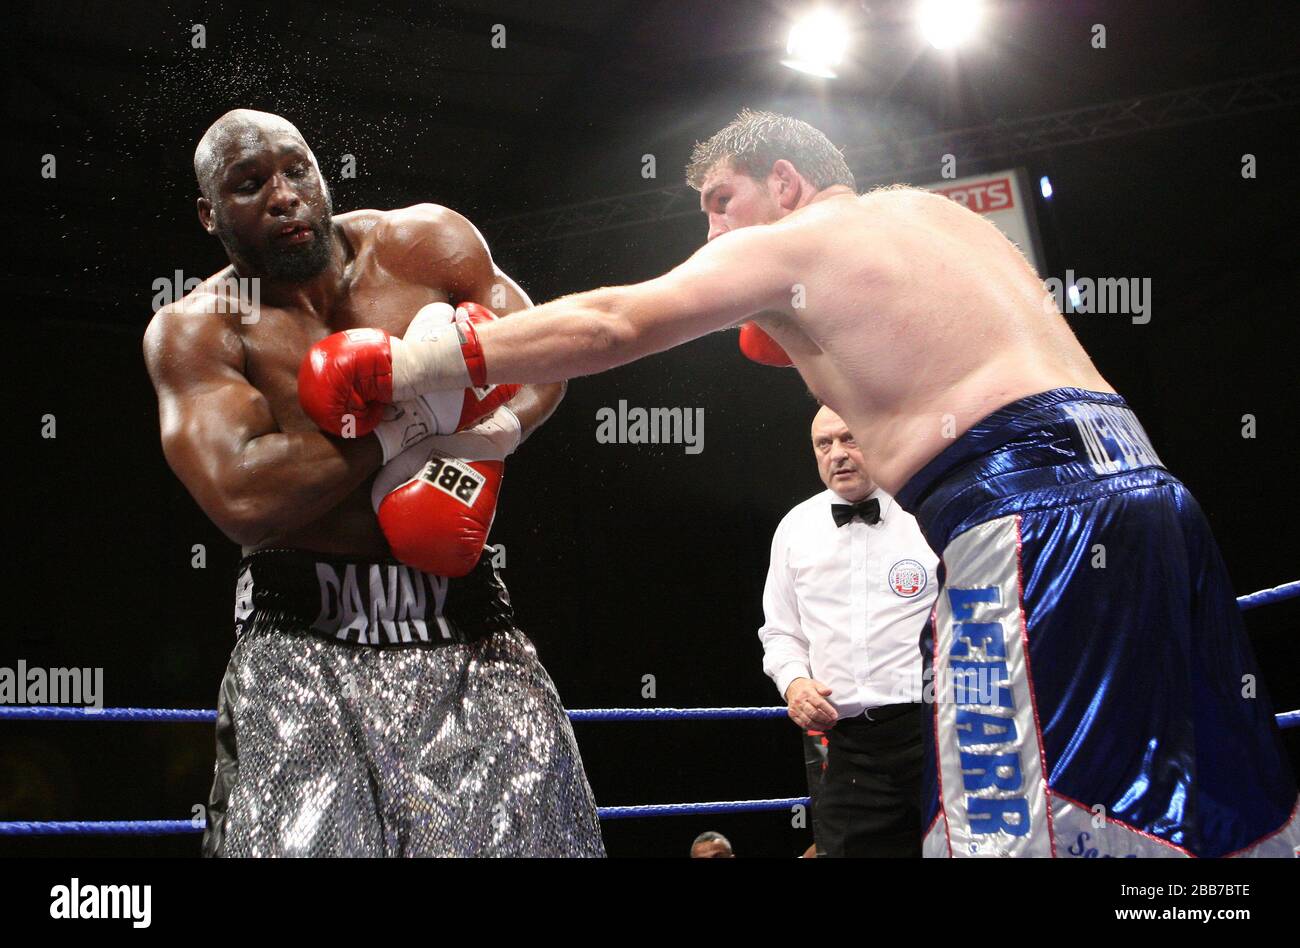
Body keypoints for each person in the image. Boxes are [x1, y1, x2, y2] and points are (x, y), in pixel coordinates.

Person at [299, 109, 1299, 857]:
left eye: (719, 203)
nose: (712, 234)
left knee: (1007, 824)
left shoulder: (797, 242)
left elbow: (611, 322)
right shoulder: (943, 220)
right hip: (1150, 494)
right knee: (1207, 801)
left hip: (1026, 516)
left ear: (785, 181)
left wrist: (411, 365)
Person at [143, 109, 603, 857]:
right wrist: (409, 415)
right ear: (210, 214)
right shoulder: (198, 330)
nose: (284, 195)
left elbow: (541, 349)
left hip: (466, 627)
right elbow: (245, 500)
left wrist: (496, 431)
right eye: (250, 184)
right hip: (302, 642)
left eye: (297, 171)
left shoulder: (426, 244)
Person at [760, 406, 937, 857]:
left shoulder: (927, 514)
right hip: (850, 747)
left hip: (935, 734)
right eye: (824, 444)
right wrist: (795, 682)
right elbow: (780, 633)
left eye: (849, 439)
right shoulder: (795, 528)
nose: (837, 454)